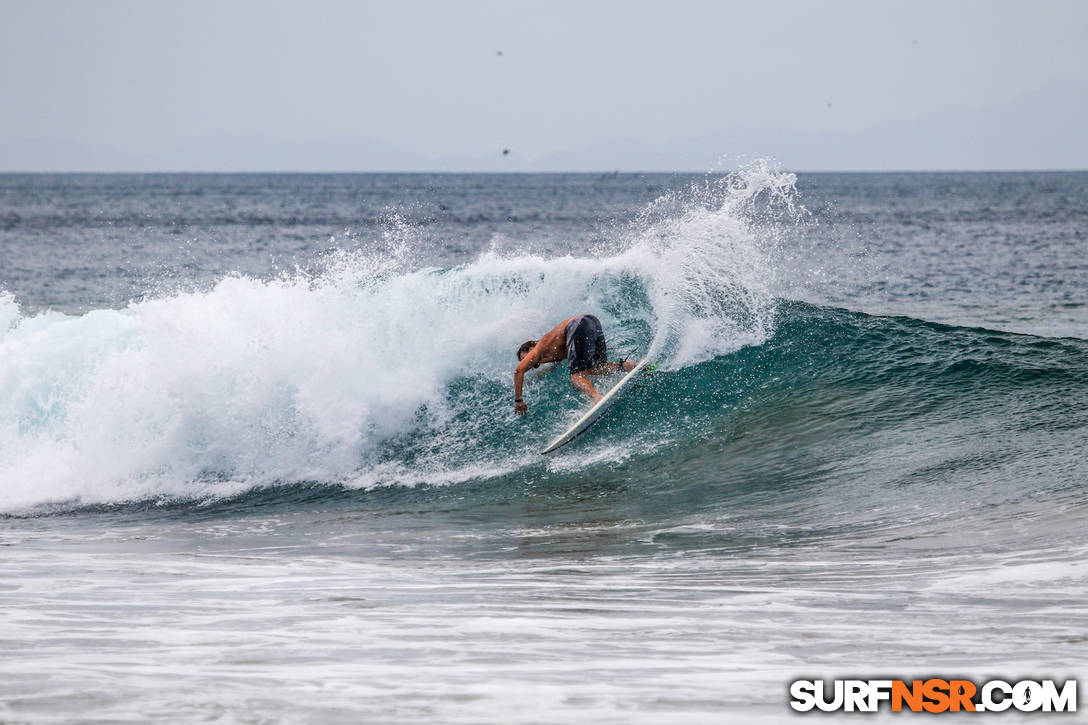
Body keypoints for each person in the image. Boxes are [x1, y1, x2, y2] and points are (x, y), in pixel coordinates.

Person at [513, 314, 636, 415]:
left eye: (525, 359)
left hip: (577, 326)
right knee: (595, 368)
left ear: (530, 349)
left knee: (576, 376)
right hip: (591, 322)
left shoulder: (536, 351)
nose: (532, 364)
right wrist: (532, 378)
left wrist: (519, 400)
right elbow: (550, 367)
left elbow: (518, 371)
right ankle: (627, 366)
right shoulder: (550, 348)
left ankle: (596, 398)